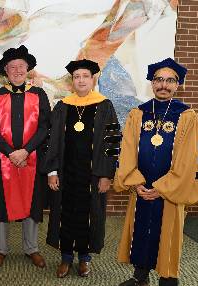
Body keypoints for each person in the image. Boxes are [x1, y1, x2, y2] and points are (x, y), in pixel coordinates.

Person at [114, 58, 198, 286]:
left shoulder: (188, 116)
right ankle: (140, 277)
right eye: (159, 79)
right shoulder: (137, 114)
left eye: (170, 80)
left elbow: (190, 158)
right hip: (140, 186)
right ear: (152, 82)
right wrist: (135, 181)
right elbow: (127, 149)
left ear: (177, 85)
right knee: (140, 229)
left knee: (167, 235)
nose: (164, 85)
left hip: (169, 190)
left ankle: (168, 279)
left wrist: (161, 188)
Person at [44, 59, 120, 278]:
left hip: (93, 176)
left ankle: (85, 259)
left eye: (85, 76)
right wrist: (52, 172)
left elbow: (112, 142)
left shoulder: (105, 105)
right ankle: (66, 257)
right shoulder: (63, 106)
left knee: (91, 215)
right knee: (65, 214)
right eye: (77, 76)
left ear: (93, 79)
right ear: (72, 81)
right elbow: (51, 141)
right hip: (66, 174)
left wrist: (107, 175)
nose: (81, 80)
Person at [0, 45, 51, 268]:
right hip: (2, 159)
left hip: (31, 158)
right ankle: (0, 249)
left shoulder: (39, 94)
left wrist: (26, 150)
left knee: (32, 202)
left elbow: (44, 127)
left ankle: (31, 247)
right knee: (1, 202)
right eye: (12, 67)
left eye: (21, 66)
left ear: (27, 69)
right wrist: (10, 153)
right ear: (6, 70)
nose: (17, 70)